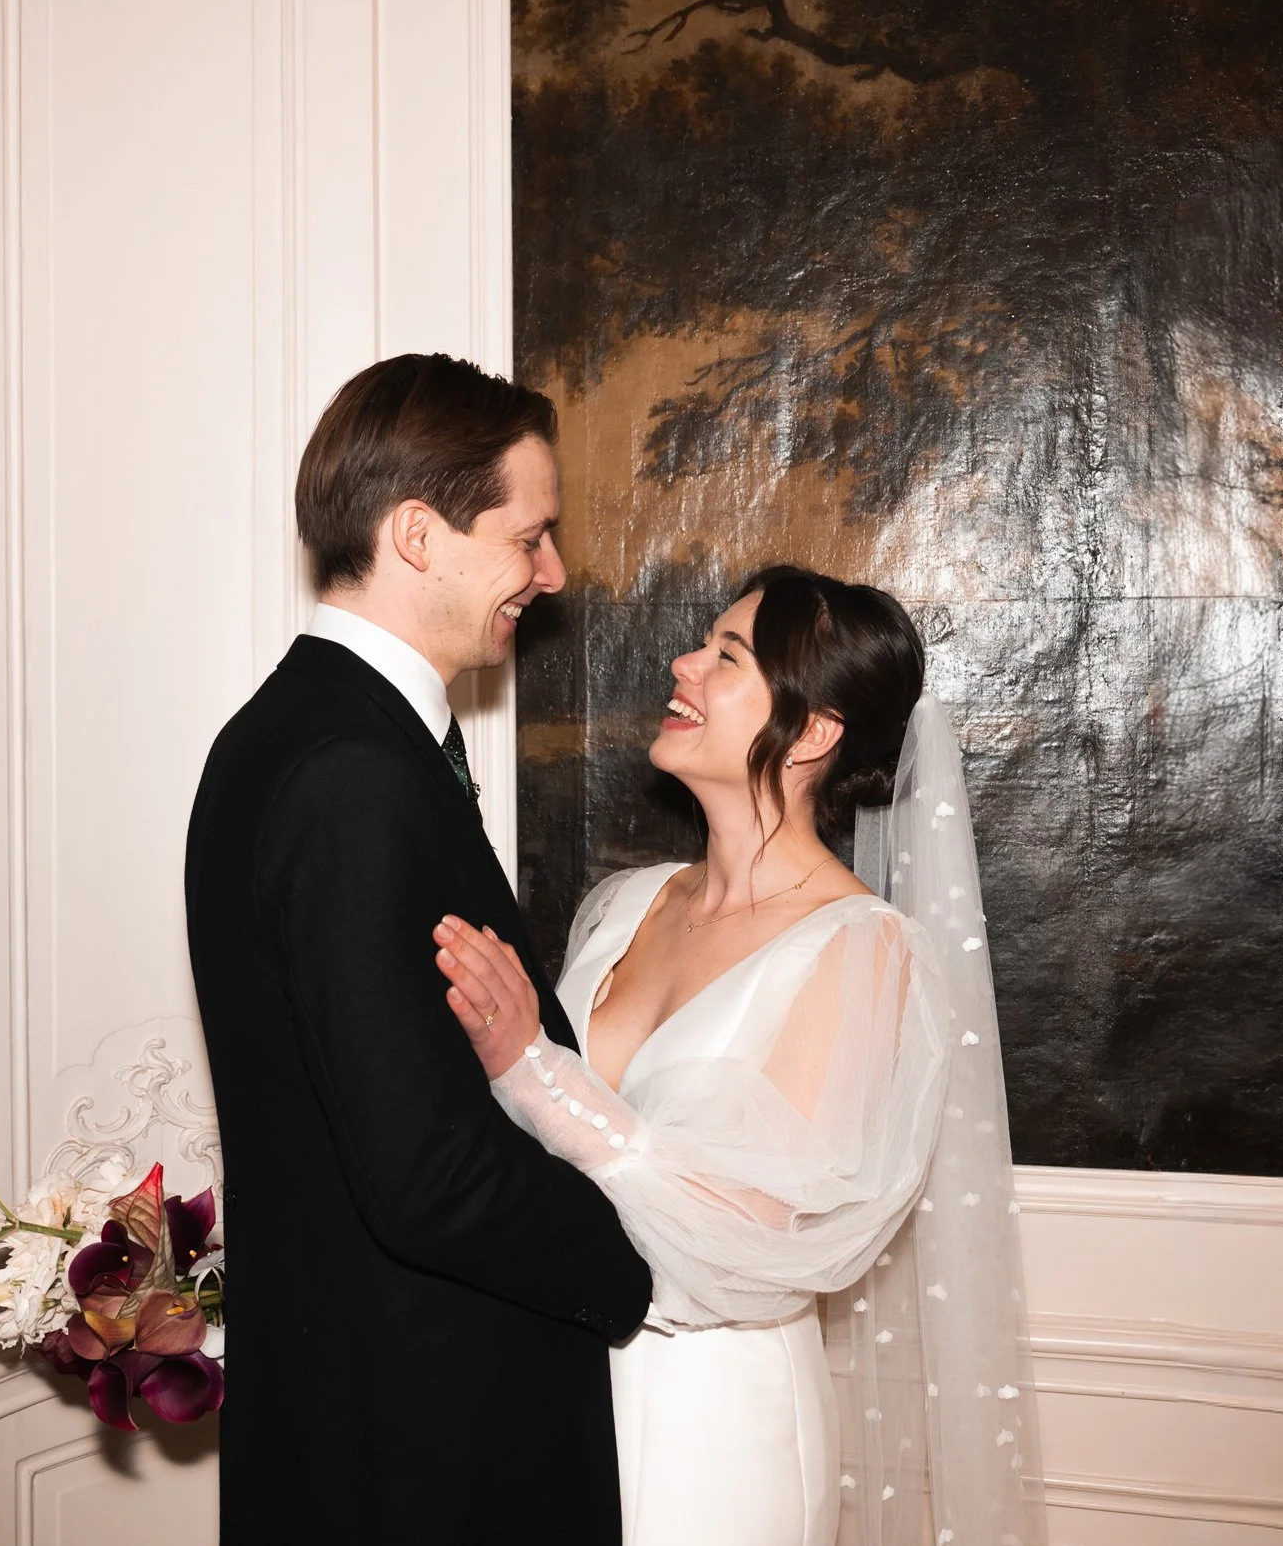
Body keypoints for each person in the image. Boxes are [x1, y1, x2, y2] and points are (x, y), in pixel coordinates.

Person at [434, 567, 1043, 1546]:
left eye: (726, 656)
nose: (682, 664)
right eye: (700, 643)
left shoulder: (860, 949)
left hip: (707, 1419)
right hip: (552, 1383)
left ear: (812, 732)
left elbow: (759, 1237)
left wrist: (529, 1069)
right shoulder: (628, 903)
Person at [185, 355, 652, 1545]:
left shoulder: (303, 732)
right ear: (417, 534)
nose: (549, 575)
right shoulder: (351, 772)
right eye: (528, 536)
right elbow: (424, 1173)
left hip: (368, 1415)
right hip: (424, 1446)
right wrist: (628, 1258)